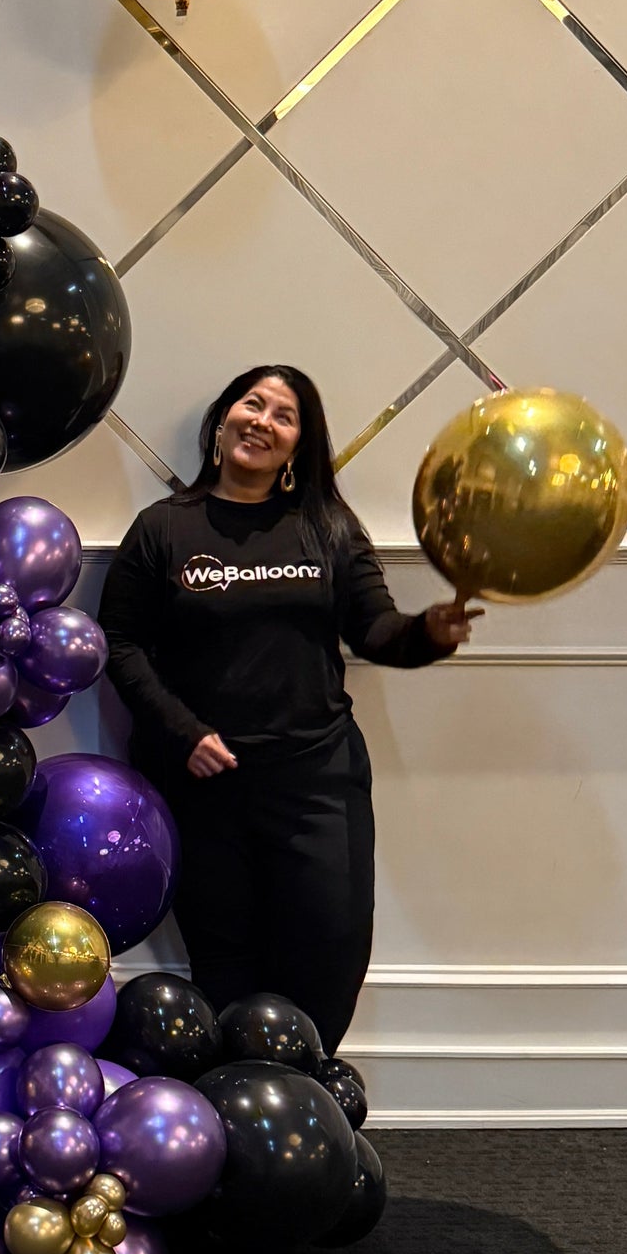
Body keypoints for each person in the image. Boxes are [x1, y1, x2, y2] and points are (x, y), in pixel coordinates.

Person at [97, 365, 477, 1052]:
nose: (262, 421)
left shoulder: (328, 528)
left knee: (329, 950)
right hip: (204, 786)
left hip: (316, 780)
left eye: (284, 414)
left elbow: (376, 630)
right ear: (223, 419)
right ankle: (237, 1120)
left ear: (300, 444)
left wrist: (430, 632)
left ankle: (306, 1101)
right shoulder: (163, 529)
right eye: (252, 403)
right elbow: (120, 643)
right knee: (225, 964)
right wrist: (182, 730)